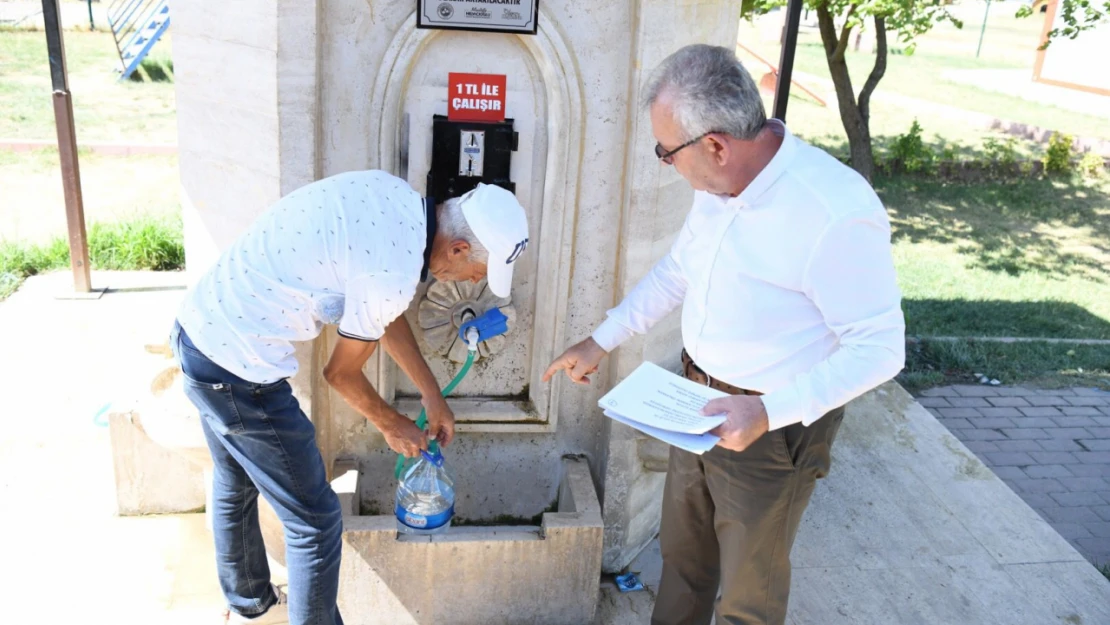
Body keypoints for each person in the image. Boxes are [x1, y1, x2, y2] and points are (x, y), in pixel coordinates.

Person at [543, 44, 905, 625]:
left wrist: (765, 412)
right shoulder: (718, 187)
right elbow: (679, 270)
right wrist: (600, 340)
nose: (666, 163)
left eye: (666, 152)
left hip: (773, 431)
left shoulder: (832, 210)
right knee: (684, 565)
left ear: (715, 144)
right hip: (698, 404)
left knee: (748, 598)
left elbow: (882, 349)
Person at [170, 173, 529, 625]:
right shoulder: (393, 274)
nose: (472, 280)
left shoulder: (396, 201)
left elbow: (380, 311)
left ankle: (249, 607)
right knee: (315, 522)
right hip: (239, 370)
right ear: (457, 249)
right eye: (475, 272)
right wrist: (390, 422)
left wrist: (431, 394)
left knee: (235, 474)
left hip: (199, 331)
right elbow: (339, 374)